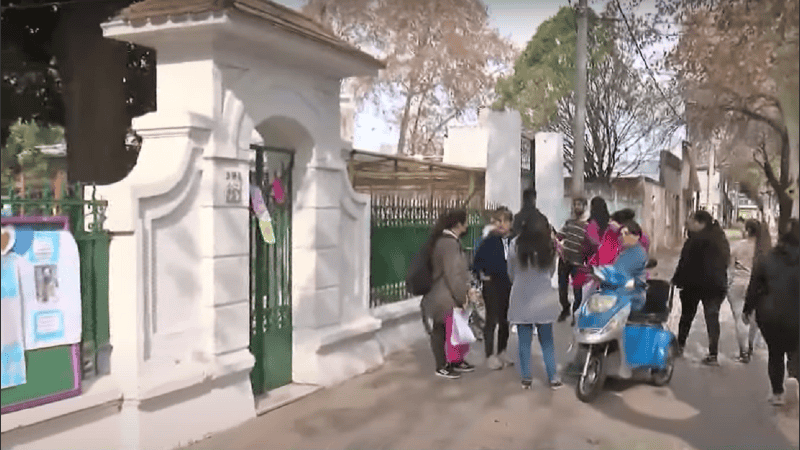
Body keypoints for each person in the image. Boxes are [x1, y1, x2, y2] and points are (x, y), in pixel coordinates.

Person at [743, 219, 799, 406]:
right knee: (796, 350)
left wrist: (747, 309)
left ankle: (777, 393)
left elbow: (754, 287)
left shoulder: (766, 258)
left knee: (775, 353)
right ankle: (794, 376)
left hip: (770, 314)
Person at [507, 212, 563, 390]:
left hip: (521, 295)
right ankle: (553, 377)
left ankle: (526, 378)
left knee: (524, 341)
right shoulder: (549, 245)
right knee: (547, 341)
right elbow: (552, 271)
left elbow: (511, 270)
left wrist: (520, 281)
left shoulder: (515, 243)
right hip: (543, 296)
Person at [420, 209, 476, 379]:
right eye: (465, 222)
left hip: (443, 294)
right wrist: (462, 296)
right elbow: (453, 274)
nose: (467, 225)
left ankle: (454, 361)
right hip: (444, 295)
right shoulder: (449, 244)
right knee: (441, 330)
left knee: (450, 329)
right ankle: (442, 365)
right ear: (458, 224)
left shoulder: (448, 241)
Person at [672, 210, 731, 365]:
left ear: (700, 223)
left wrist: (677, 280)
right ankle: (713, 354)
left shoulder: (695, 240)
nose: (688, 224)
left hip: (695, 284)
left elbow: (685, 263)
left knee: (686, 317)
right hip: (715, 285)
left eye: (691, 221)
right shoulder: (720, 238)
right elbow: (726, 261)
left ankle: (680, 346)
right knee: (712, 319)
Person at [473, 207, 515, 370]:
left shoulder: (514, 241)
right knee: (492, 320)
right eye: (497, 221)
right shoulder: (489, 242)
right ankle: (490, 355)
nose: (500, 224)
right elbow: (476, 263)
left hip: (509, 285)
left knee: (506, 320)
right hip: (492, 286)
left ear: (510, 223)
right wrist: (483, 276)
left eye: (504, 221)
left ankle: (502, 351)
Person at [728, 219, 771, 363]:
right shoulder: (764, 249)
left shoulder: (738, 246)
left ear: (747, 230)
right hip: (757, 286)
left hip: (739, 283)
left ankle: (743, 352)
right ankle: (750, 346)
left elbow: (730, 266)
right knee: (754, 319)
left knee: (740, 319)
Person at [556, 196, 587, 321]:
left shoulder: (587, 226)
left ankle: (576, 314)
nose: (577, 207)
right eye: (575, 205)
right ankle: (565, 308)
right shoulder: (569, 223)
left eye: (579, 205)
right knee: (562, 287)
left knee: (577, 290)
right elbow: (560, 236)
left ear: (585, 207)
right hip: (565, 260)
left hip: (578, 262)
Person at [612, 221, 649, 312]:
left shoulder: (637, 253)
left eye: (626, 234)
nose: (623, 237)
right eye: (621, 234)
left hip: (633, 298)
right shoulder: (626, 251)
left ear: (636, 236)